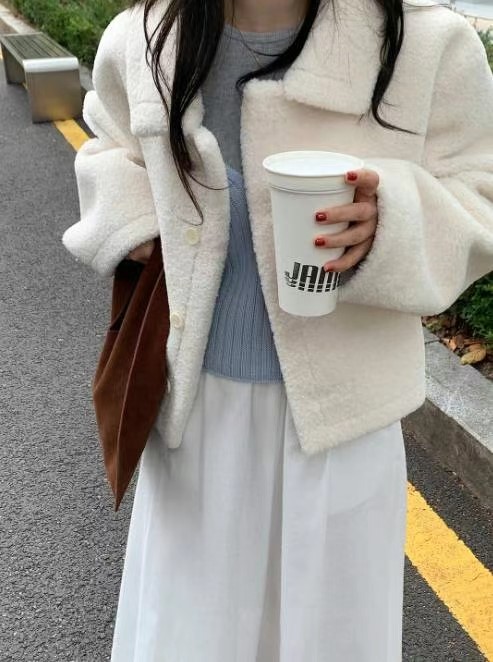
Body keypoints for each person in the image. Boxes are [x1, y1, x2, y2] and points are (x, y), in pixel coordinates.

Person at [62, 0, 493, 659]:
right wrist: (134, 223)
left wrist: (390, 221)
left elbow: (481, 191)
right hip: (193, 419)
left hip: (342, 432)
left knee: (327, 638)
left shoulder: (423, 43)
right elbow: (108, 147)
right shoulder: (147, 35)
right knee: (187, 638)